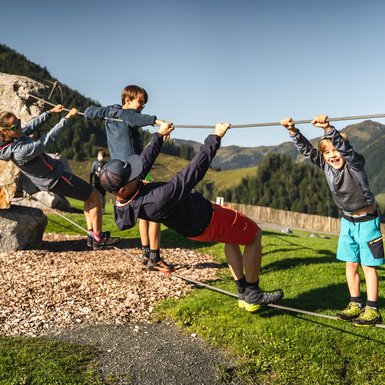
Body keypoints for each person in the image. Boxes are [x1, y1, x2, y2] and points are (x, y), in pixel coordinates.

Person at [98, 121, 284, 312]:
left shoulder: (127, 196)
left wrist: (159, 136)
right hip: (209, 220)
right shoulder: (156, 199)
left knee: (232, 239)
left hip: (195, 225)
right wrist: (215, 138)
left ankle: (242, 293)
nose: (138, 175)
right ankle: (253, 293)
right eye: (133, 176)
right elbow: (191, 174)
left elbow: (143, 163)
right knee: (254, 235)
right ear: (123, 188)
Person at [281, 115, 384, 326]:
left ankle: (372, 309)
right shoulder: (326, 166)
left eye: (335, 150)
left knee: (368, 266)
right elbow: (308, 151)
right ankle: (355, 304)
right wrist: (293, 131)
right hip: (347, 223)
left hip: (367, 222)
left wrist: (328, 129)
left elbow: (344, 150)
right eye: (327, 152)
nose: (332, 155)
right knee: (351, 265)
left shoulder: (355, 164)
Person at [0, 104, 120, 250]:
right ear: (4, 131)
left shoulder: (15, 138)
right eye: (14, 127)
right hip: (55, 178)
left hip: (54, 176)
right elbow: (46, 141)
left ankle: (93, 237)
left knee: (88, 197)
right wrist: (67, 118)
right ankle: (99, 238)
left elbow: (31, 126)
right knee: (94, 196)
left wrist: (50, 113)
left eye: (18, 122)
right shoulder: (19, 151)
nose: (19, 127)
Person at [84, 85, 170, 269]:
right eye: (141, 102)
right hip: (136, 169)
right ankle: (154, 256)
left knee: (143, 211)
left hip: (119, 173)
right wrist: (158, 122)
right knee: (155, 211)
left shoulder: (110, 111)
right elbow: (133, 117)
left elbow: (90, 112)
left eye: (145, 103)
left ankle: (146, 254)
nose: (143, 106)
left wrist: (88, 112)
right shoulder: (124, 113)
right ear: (128, 100)